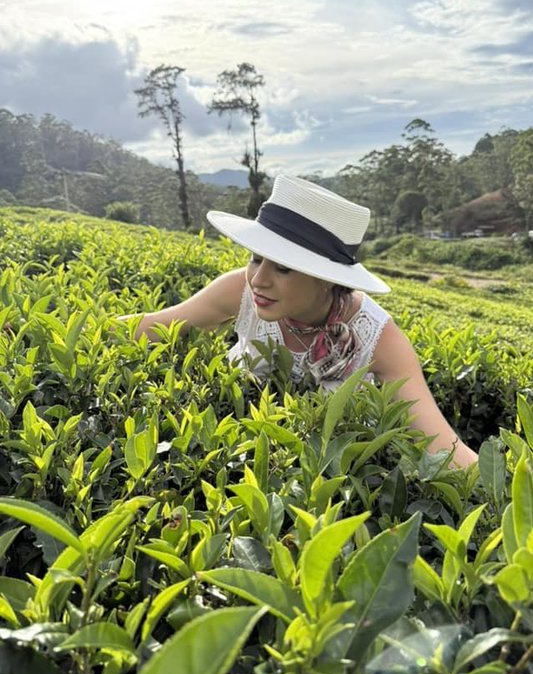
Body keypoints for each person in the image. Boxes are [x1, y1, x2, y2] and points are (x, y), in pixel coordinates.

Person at [122, 175, 478, 468]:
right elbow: (152, 326)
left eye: (282, 267)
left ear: (326, 277)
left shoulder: (378, 338)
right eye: (255, 258)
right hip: (230, 462)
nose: (259, 279)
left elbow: (443, 447)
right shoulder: (240, 291)